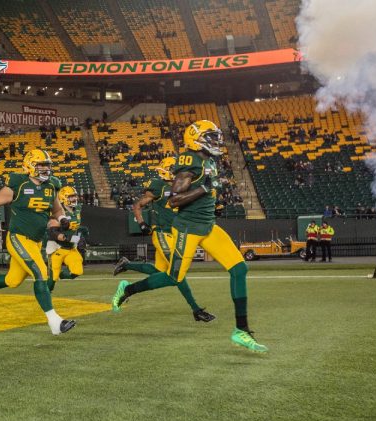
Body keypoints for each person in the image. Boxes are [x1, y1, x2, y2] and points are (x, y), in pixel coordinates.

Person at [111, 120, 267, 353]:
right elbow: (173, 200)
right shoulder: (189, 162)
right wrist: (204, 188)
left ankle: (241, 331)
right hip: (187, 228)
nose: (217, 141)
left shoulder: (208, 160)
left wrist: (210, 190)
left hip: (207, 225)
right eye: (211, 137)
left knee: (239, 269)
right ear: (196, 140)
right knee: (173, 277)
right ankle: (127, 290)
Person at [0, 149, 76, 335]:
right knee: (41, 273)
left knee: (13, 280)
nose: (45, 168)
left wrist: (62, 219)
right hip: (18, 237)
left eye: (47, 165)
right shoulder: (18, 183)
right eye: (41, 164)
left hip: (36, 242)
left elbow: (57, 210)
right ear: (30, 165)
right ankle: (55, 322)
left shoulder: (51, 185)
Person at [113, 156, 215, 322]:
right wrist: (142, 223)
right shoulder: (158, 186)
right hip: (162, 233)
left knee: (161, 273)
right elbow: (137, 205)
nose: (177, 174)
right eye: (174, 171)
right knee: (177, 274)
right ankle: (196, 309)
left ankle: (127, 267)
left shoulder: (182, 186)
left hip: (177, 233)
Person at [46, 186, 88, 293]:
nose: (74, 199)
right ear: (63, 197)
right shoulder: (58, 212)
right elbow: (52, 232)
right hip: (57, 246)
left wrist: (78, 237)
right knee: (53, 276)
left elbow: (76, 229)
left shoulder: (78, 209)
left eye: (75, 196)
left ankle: (61, 274)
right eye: (71, 197)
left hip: (70, 247)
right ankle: (46, 293)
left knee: (77, 271)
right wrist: (67, 238)